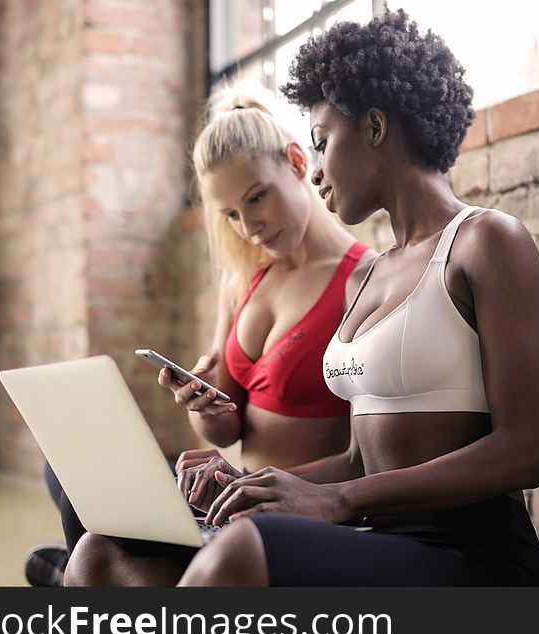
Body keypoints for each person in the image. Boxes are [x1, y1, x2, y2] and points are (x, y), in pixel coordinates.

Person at [65, 9, 539, 587]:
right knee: (101, 554)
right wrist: (251, 481)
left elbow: (524, 452)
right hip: (376, 530)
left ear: (374, 127)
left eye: (321, 143)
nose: (316, 171)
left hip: (471, 550)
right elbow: (358, 458)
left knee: (241, 552)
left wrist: (340, 501)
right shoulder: (370, 279)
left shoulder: (487, 241)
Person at [25, 82, 374, 586]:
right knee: (69, 473)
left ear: (298, 162)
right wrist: (203, 405)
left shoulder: (361, 280)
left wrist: (255, 484)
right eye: (231, 214)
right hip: (226, 494)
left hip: (283, 504)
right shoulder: (244, 281)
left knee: (98, 542)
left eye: (257, 198)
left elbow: (364, 457)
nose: (249, 226)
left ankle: (72, 577)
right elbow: (225, 429)